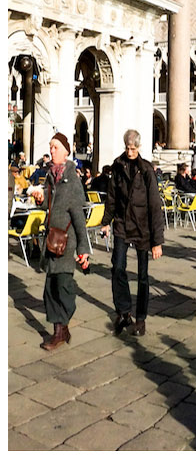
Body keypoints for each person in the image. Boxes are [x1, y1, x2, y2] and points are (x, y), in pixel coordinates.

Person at [101, 130, 167, 336]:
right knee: (117, 267)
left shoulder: (146, 169)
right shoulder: (117, 166)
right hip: (122, 224)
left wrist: (157, 241)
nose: (130, 152)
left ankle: (141, 318)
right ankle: (123, 310)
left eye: (134, 148)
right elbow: (111, 198)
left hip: (143, 228)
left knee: (142, 276)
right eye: (128, 148)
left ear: (139, 147)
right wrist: (105, 222)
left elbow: (155, 206)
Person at [32, 133, 92, 351]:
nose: (52, 151)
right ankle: (59, 330)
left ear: (66, 151)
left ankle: (62, 326)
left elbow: (79, 219)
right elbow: (49, 200)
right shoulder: (51, 176)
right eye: (51, 147)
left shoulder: (73, 181)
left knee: (63, 286)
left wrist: (83, 250)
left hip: (66, 243)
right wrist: (41, 196)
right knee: (50, 288)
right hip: (51, 240)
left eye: (55, 147)